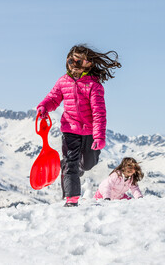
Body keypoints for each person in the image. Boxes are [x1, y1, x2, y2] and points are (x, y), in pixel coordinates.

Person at [37, 44, 121, 207]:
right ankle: (71, 198)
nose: (73, 64)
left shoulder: (94, 86)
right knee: (71, 164)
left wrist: (99, 137)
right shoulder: (63, 81)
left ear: (89, 64)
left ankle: (74, 167)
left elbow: (99, 113)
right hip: (69, 129)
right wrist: (44, 107)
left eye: (78, 61)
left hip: (89, 132)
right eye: (70, 60)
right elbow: (53, 98)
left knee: (88, 164)